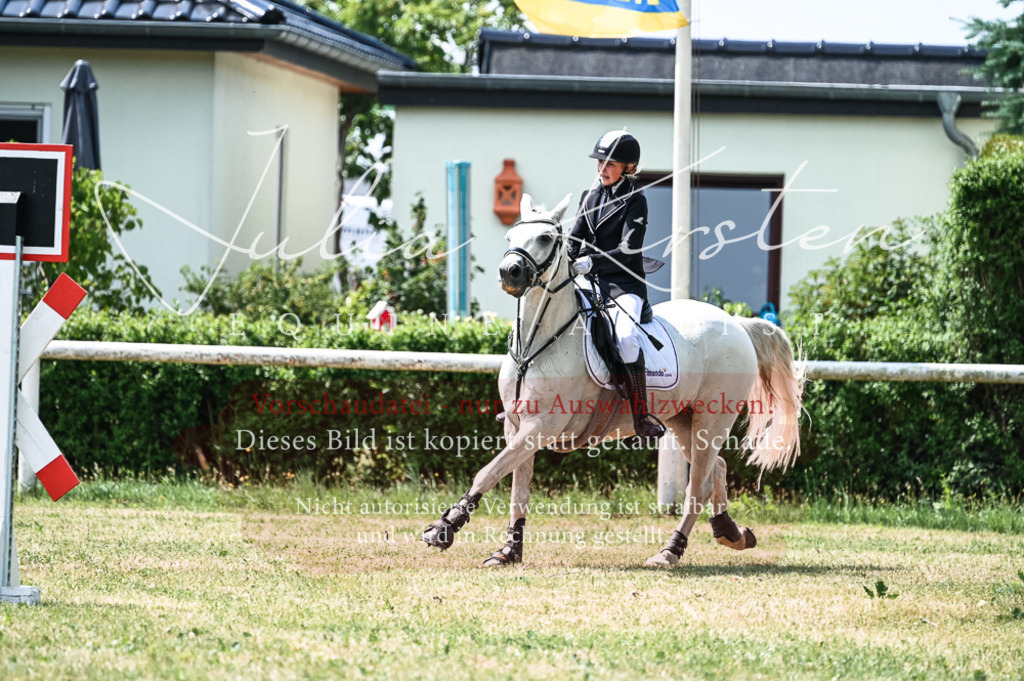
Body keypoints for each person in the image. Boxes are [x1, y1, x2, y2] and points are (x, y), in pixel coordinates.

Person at [567, 130, 665, 440]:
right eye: (600, 162)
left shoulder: (636, 201)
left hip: (625, 285)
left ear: (628, 167)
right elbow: (574, 239)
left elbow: (627, 250)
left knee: (625, 337)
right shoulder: (590, 196)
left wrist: (591, 262)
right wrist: (563, 260)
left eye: (610, 163)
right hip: (591, 283)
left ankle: (641, 415)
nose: (602, 168)